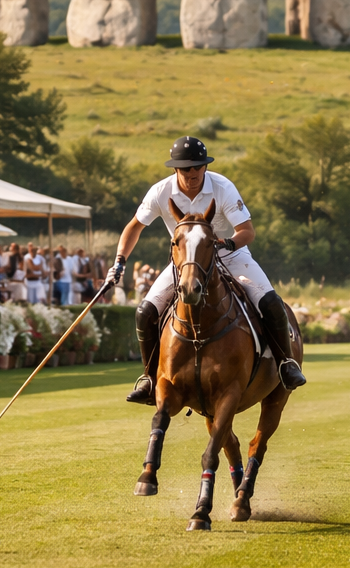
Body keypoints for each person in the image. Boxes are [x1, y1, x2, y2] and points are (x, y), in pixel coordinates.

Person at [111, 135, 307, 404]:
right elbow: (134, 226)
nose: (192, 176)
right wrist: (119, 260)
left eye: (197, 169)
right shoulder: (160, 192)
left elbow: (247, 231)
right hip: (187, 264)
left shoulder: (222, 187)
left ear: (204, 167)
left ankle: (286, 364)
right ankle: (149, 378)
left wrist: (226, 243)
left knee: (270, 301)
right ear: (175, 170)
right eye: (185, 170)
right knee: (145, 312)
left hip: (231, 255)